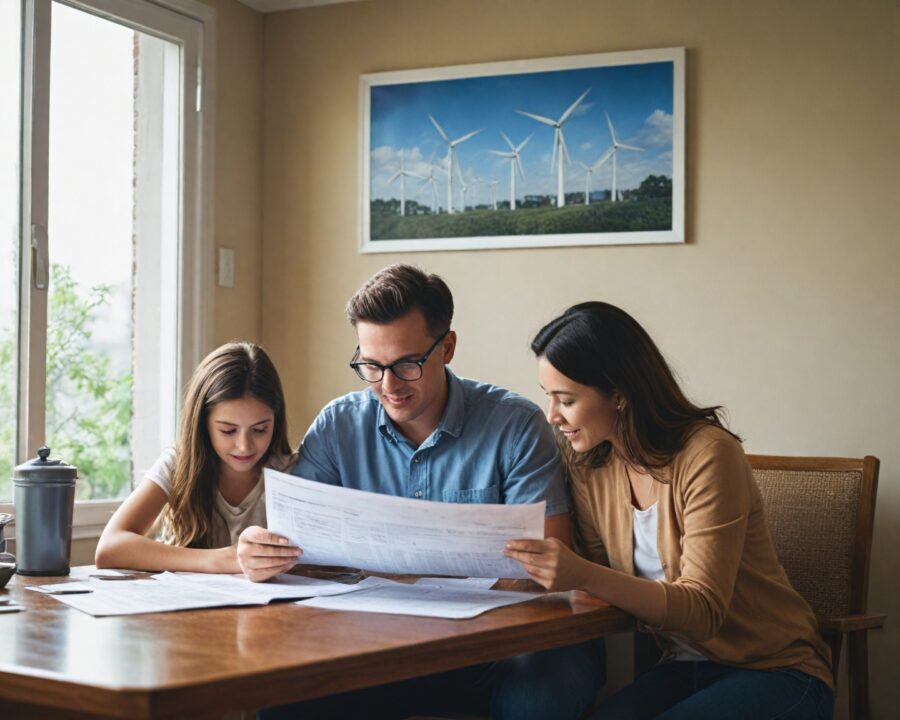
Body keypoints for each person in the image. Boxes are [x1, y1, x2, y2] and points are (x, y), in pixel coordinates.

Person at [238, 264, 605, 720]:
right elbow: (299, 549)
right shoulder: (337, 427)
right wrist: (264, 552)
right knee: (285, 696)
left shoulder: (515, 426)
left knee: (552, 677)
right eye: (371, 366)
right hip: (373, 645)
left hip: (494, 650)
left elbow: (550, 562)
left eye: (407, 364)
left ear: (447, 347)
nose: (389, 386)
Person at [504, 302, 834, 720]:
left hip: (778, 672)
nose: (552, 415)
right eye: (548, 396)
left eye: (566, 399)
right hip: (682, 670)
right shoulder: (589, 463)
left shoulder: (709, 455)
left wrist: (579, 573)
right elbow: (595, 581)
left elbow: (702, 611)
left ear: (619, 395)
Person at [95, 342, 296, 572]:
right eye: (228, 430)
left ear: (276, 421)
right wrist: (228, 559)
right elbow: (110, 548)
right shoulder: (177, 465)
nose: (244, 446)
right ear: (203, 424)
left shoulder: (292, 472)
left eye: (260, 430)